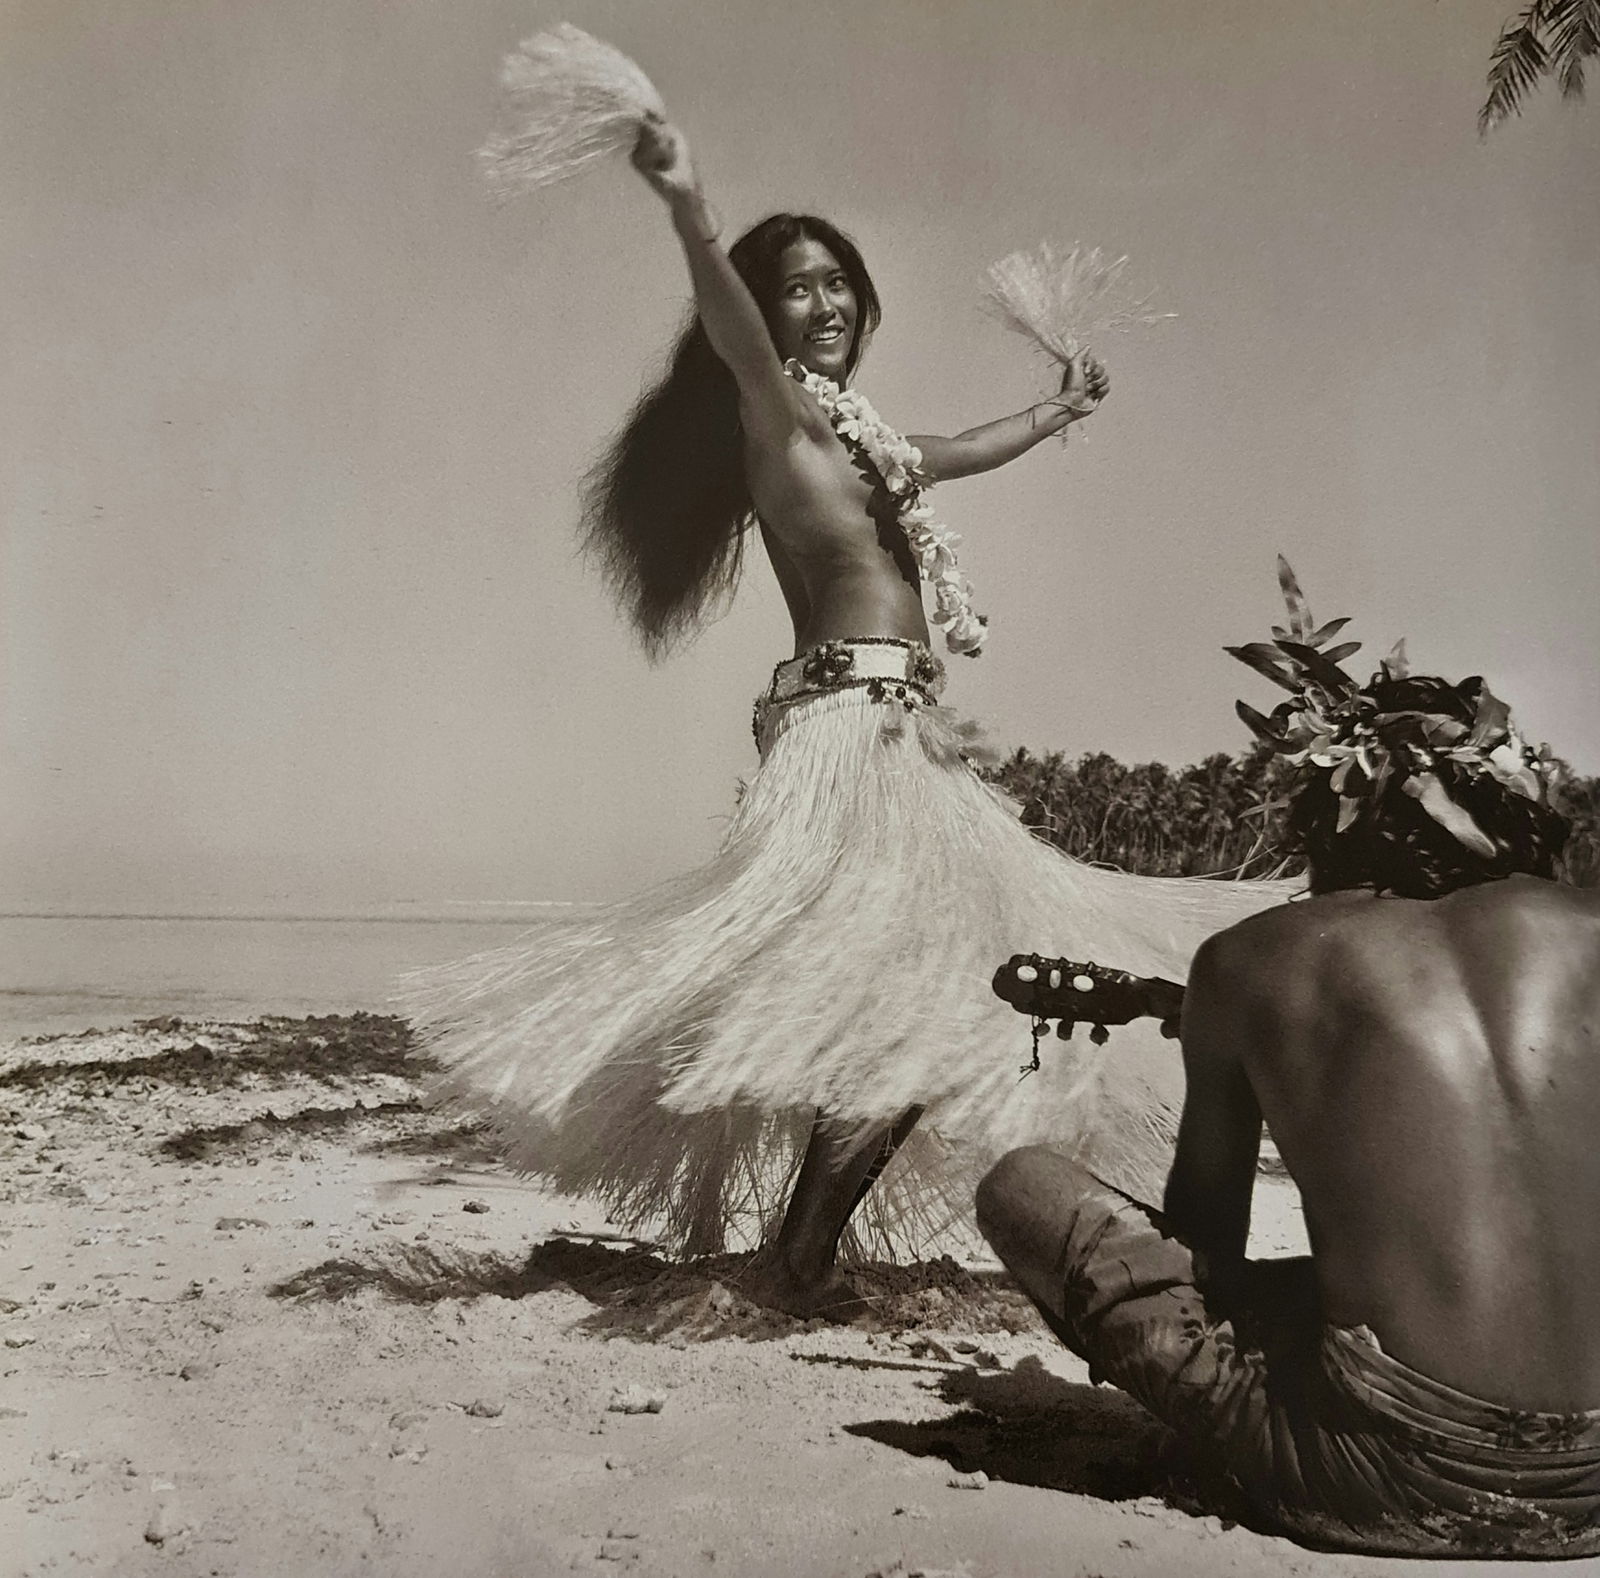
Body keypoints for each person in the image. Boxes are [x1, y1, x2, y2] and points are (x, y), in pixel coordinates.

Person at [405, 118, 1292, 1317]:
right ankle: (796, 1263)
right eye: (796, 288)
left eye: (835, 283)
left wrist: (1062, 407)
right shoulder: (775, 415)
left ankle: (797, 1258)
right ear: (764, 318)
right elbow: (721, 320)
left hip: (901, 728)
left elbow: (963, 448)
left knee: (920, 999)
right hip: (848, 730)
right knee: (914, 1005)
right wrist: (687, 216)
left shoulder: (869, 443)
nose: (821, 303)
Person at [976, 596, 1600, 1556]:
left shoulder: (1253, 961)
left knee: (1021, 1187)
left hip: (1396, 1480)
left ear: (1329, 812)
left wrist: (1265, 1067)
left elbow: (1204, 1260)